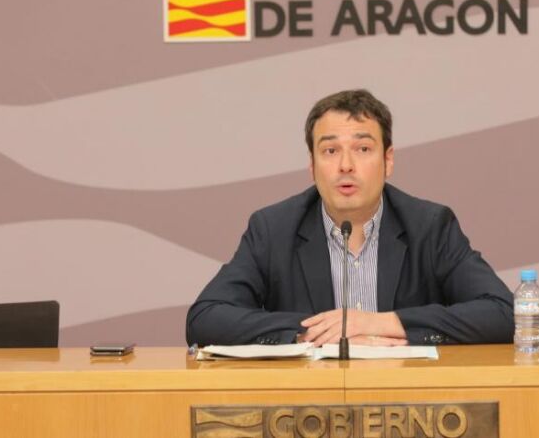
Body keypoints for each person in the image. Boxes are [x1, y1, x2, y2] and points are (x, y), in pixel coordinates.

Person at [186, 89, 513, 346]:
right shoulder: (273, 229)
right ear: (312, 165)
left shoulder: (429, 226)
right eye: (330, 151)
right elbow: (205, 318)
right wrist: (318, 331)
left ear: (388, 160)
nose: (346, 165)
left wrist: (383, 323)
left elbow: (503, 312)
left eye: (362, 149)